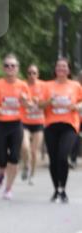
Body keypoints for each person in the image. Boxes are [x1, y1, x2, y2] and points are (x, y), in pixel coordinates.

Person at [0, 54, 30, 200]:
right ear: (3, 68)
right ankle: (0, 173)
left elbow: (29, 106)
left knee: (14, 157)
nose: (10, 68)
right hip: (0, 124)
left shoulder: (23, 85)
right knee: (2, 157)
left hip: (16, 124)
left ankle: (8, 188)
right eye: (7, 65)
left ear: (17, 68)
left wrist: (25, 101)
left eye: (13, 65)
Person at [39, 56, 82, 203]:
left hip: (70, 125)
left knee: (63, 156)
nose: (61, 69)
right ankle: (56, 189)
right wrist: (49, 101)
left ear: (68, 70)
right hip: (51, 125)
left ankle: (62, 189)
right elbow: (40, 105)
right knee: (54, 159)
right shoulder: (47, 86)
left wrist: (77, 106)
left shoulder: (75, 86)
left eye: (64, 67)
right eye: (59, 67)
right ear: (55, 70)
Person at [20, 63, 46, 184]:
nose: (31, 75)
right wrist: (24, 101)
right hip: (25, 121)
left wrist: (39, 102)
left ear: (38, 74)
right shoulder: (22, 86)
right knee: (25, 147)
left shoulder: (43, 86)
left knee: (34, 151)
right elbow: (18, 101)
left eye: (34, 73)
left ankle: (32, 175)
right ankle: (26, 166)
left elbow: (48, 102)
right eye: (29, 73)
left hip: (38, 122)